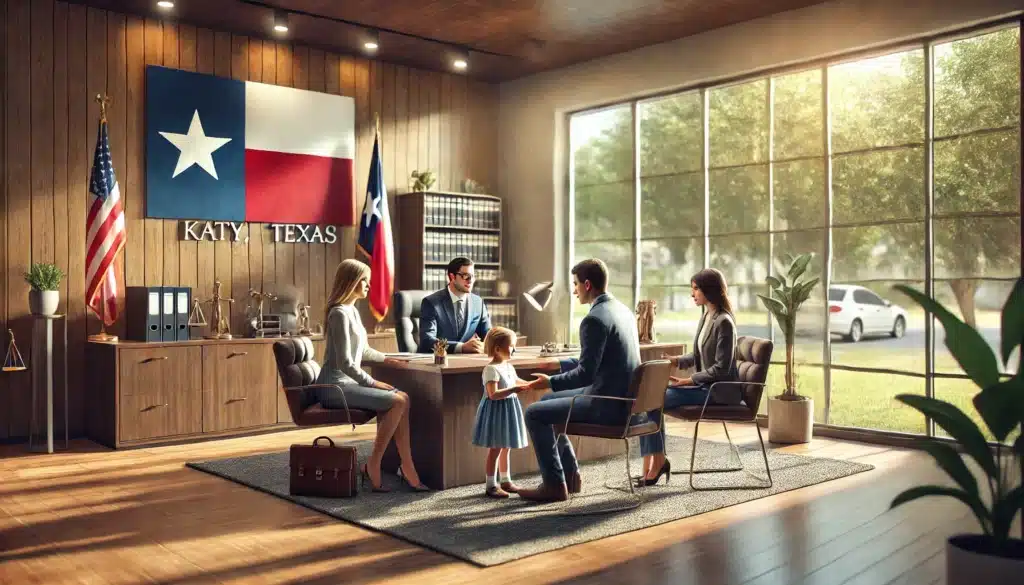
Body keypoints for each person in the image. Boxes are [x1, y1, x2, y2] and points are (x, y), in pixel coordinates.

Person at [515, 258, 641, 503]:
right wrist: (560, 365)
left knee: (534, 413)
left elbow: (586, 374)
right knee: (550, 402)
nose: (573, 291)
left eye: (575, 285)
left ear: (587, 284)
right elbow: (601, 360)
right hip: (627, 401)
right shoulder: (622, 310)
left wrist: (549, 381)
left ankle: (553, 485)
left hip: (606, 404)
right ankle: (571, 476)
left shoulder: (593, 319)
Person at [313, 259, 430, 493]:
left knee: (403, 399)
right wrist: (373, 382)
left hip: (345, 384)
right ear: (351, 282)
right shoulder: (339, 314)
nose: (368, 285)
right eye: (364, 280)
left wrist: (388, 359)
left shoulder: (352, 311)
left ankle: (406, 465)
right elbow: (345, 363)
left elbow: (364, 351)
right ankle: (375, 464)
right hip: (333, 387)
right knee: (398, 400)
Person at [637, 267, 740, 487]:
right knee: (652, 398)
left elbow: (721, 369)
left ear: (708, 290)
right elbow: (698, 354)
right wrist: (677, 360)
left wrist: (689, 380)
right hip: (704, 388)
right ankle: (654, 461)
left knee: (654, 400)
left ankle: (656, 462)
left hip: (717, 392)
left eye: (695, 289)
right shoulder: (706, 316)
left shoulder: (724, 322)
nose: (692, 294)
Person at [470, 326, 531, 499]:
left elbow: (517, 381)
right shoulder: (491, 369)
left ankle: (506, 480)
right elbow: (493, 394)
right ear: (497, 349)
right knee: (496, 448)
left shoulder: (508, 367)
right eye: (511, 346)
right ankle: (491, 485)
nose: (514, 349)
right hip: (497, 412)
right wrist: (514, 389)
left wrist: (532, 384)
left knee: (506, 447)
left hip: (508, 410)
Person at [418, 257, 492, 354]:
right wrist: (461, 347)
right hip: (437, 361)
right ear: (452, 277)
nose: (470, 281)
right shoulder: (431, 303)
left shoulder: (478, 302)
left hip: (467, 361)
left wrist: (506, 344)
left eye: (473, 276)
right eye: (466, 276)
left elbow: (490, 335)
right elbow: (427, 341)